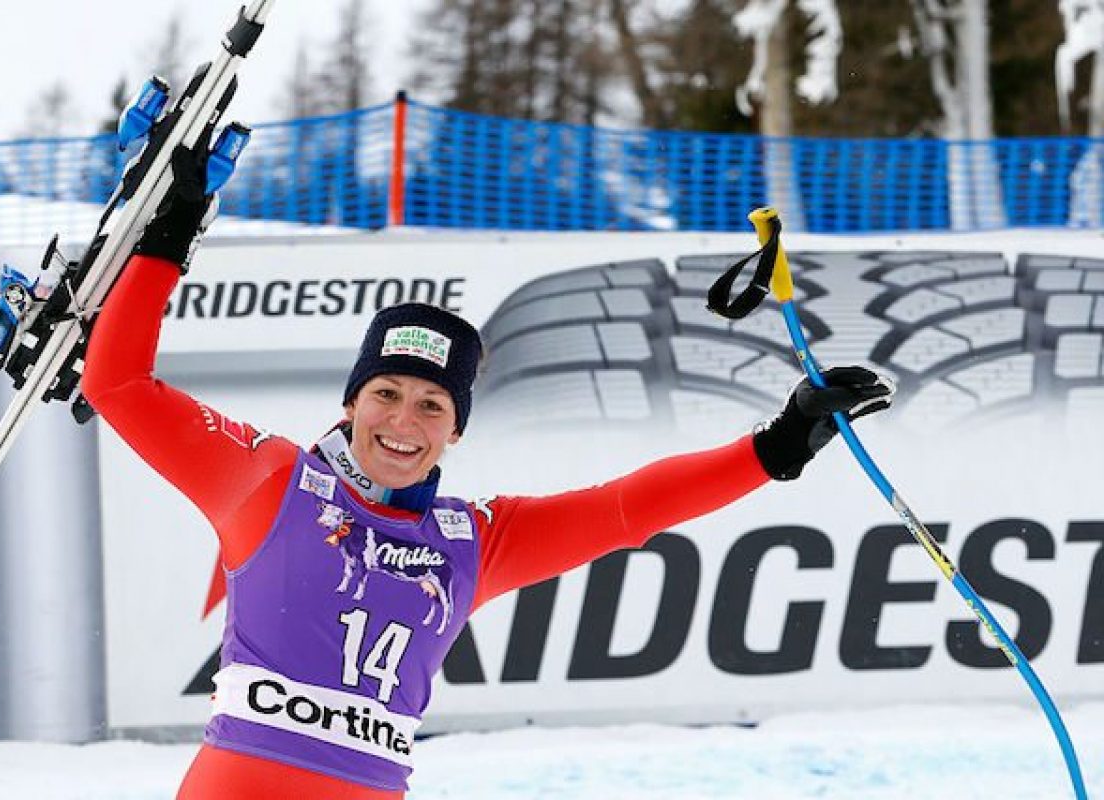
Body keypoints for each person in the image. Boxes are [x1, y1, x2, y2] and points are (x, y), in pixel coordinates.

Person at [80, 148, 894, 800]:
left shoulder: (474, 540)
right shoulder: (269, 482)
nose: (403, 422)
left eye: (432, 406)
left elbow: (626, 509)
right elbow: (115, 384)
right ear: (353, 401)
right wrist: (167, 235)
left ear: (457, 428)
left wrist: (777, 446)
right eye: (386, 395)